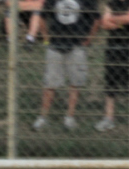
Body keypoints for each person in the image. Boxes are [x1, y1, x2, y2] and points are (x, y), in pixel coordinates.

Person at [31, 0, 100, 131]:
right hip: (55, 44)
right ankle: (43, 117)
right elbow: (41, 16)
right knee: (50, 83)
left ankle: (69, 117)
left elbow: (96, 19)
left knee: (75, 83)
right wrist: (46, 38)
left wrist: (89, 39)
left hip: (76, 45)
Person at [95, 0, 129, 132]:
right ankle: (109, 118)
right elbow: (104, 24)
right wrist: (121, 21)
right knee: (110, 82)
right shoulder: (111, 3)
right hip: (113, 45)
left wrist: (113, 19)